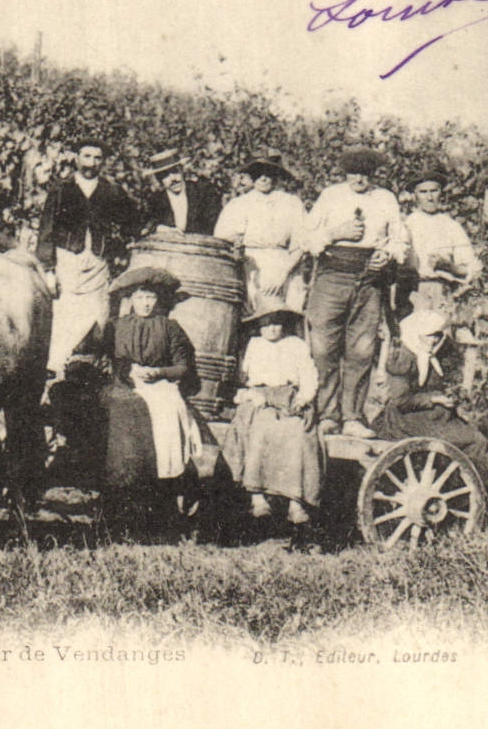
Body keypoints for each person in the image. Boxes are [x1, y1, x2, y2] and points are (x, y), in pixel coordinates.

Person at [299, 145, 410, 439]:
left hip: (369, 278)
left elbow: (400, 240)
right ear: (345, 173)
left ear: (373, 174)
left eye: (365, 173)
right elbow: (306, 237)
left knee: (361, 349)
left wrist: (386, 254)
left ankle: (352, 416)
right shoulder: (331, 196)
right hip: (332, 273)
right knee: (323, 347)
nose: (359, 179)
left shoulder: (385, 199)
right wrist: (336, 233)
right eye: (354, 172)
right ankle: (327, 415)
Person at [75, 266, 203, 493]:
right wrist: (124, 370)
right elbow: (100, 357)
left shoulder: (169, 327)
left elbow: (183, 367)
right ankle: (118, 476)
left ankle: (165, 475)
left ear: (158, 299)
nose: (146, 303)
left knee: (167, 410)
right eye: (141, 297)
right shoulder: (116, 326)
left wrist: (159, 373)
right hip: (124, 382)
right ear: (131, 299)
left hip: (160, 385)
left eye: (151, 297)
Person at [35, 137, 139, 379]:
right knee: (64, 319)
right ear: (77, 158)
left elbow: (131, 223)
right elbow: (46, 231)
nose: (91, 162)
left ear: (103, 161)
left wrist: (119, 251)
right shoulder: (61, 190)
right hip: (67, 262)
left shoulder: (111, 191)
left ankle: (88, 375)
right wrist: (49, 270)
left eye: (97, 157)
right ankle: (55, 378)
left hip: (98, 263)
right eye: (87, 156)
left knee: (98, 317)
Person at [221, 308, 324, 524]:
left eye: (277, 323)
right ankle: (257, 496)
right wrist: (250, 395)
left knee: (298, 433)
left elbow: (309, 375)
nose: (272, 328)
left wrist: (303, 398)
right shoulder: (254, 345)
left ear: (284, 324)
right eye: (266, 323)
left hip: (288, 397)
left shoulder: (296, 344)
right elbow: (243, 378)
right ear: (259, 326)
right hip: (260, 396)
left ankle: (295, 501)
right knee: (261, 427)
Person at [373, 308, 488, 482]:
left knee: (477, 439)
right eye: (429, 335)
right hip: (407, 420)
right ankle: (474, 487)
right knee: (472, 441)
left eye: (437, 335)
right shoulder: (403, 360)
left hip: (432, 417)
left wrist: (451, 398)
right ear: (415, 333)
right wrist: (433, 399)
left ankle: (478, 486)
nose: (434, 340)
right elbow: (401, 401)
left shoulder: (430, 357)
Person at [213, 148, 309, 314]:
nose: (263, 178)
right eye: (258, 173)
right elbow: (222, 242)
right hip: (250, 269)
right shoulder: (237, 205)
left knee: (285, 317)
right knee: (252, 317)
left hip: (284, 267)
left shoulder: (291, 203)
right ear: (251, 176)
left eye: (269, 173)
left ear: (276, 175)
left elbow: (300, 244)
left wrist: (282, 272)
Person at [399, 168, 482, 322]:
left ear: (441, 193)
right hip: (411, 292)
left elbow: (470, 269)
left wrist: (449, 266)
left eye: (434, 191)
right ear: (414, 195)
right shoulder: (405, 224)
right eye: (423, 192)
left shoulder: (451, 226)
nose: (430, 197)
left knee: (440, 339)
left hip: (441, 292)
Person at [140, 147, 222, 236]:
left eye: (175, 171)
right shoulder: (156, 200)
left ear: (181, 170)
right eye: (165, 175)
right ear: (159, 179)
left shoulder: (202, 192)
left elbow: (215, 224)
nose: (173, 179)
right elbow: (145, 225)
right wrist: (161, 229)